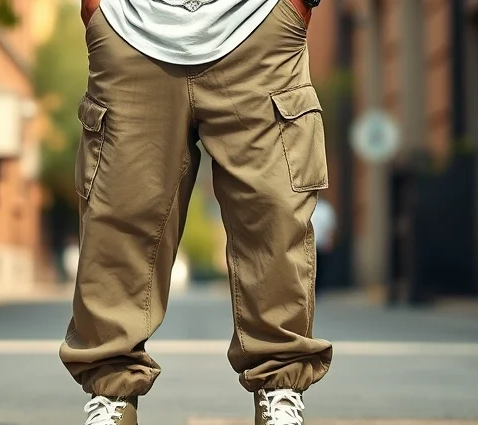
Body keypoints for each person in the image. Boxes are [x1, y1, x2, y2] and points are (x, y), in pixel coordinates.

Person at [60, 0, 333, 424]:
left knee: (275, 219)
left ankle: (280, 391)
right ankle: (112, 397)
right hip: (129, 26)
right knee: (117, 223)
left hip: (260, 27)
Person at [311, 197, 337, 295]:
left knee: (319, 267)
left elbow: (330, 227)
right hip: (307, 243)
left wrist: (329, 242)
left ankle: (316, 289)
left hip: (320, 243)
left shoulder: (325, 208)